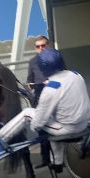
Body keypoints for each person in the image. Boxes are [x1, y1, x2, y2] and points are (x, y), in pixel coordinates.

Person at [0, 48, 90, 173]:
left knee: (28, 113)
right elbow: (66, 86)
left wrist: (33, 127)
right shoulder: (76, 75)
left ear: (43, 68)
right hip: (84, 123)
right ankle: (57, 163)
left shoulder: (51, 90)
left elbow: (39, 123)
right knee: (53, 121)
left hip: (68, 128)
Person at [27, 36, 63, 169]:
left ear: (48, 45)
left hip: (57, 96)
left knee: (59, 126)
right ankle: (45, 159)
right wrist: (33, 86)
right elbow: (29, 80)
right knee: (42, 129)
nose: (41, 48)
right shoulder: (32, 62)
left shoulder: (56, 58)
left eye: (43, 45)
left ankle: (60, 158)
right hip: (40, 97)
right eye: (38, 46)